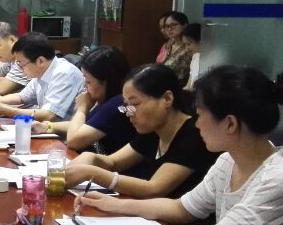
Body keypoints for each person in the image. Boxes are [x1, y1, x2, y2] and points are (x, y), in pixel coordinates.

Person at [80, 65, 283, 225]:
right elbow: (181, 208)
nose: (197, 124)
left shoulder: (275, 179)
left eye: (201, 115)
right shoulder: (228, 161)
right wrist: (114, 204)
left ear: (230, 123)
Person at [64, 64, 218, 198]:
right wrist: (90, 158)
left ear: (167, 99)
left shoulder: (194, 134)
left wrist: (91, 173)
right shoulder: (153, 130)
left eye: (135, 104)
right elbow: (113, 162)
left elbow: (154, 188)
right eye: (126, 106)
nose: (129, 113)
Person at [34, 46, 135, 154]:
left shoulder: (116, 105)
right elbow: (84, 126)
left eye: (88, 81)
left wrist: (82, 108)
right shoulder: (105, 101)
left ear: (106, 81)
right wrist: (47, 126)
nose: (84, 85)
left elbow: (73, 141)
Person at [0, 33, 85, 122]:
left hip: (65, 134)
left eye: (21, 64)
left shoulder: (63, 73)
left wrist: (5, 110)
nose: (20, 68)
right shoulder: (41, 71)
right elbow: (22, 97)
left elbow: (48, 115)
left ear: (40, 61)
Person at [156, 11, 192, 86]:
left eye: (173, 25)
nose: (169, 29)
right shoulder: (168, 45)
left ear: (184, 26)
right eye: (167, 26)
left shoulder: (190, 47)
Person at [183, 22, 202, 90]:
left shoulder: (216, 59)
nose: (186, 48)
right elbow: (188, 86)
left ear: (200, 41)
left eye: (188, 44)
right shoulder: (196, 57)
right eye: (185, 45)